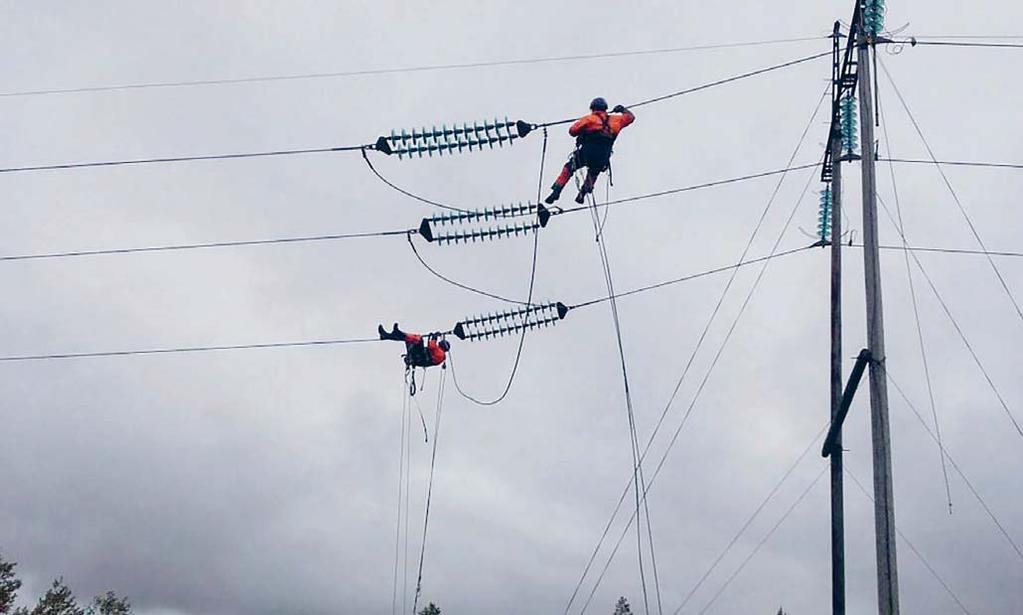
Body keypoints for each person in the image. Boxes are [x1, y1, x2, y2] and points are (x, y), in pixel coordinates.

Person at [545, 97, 636, 205]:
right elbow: (631, 117)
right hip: (603, 155)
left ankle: (557, 191)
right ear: (605, 109)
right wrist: (622, 109)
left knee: (569, 167)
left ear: (592, 108)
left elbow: (572, 131)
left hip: (588, 151)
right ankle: (582, 194)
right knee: (594, 172)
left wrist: (583, 130)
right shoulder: (617, 120)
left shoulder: (589, 119)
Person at [378, 323, 449, 368]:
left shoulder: (441, 353)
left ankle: (397, 333)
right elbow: (431, 347)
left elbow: (431, 346)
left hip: (419, 356)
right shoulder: (440, 354)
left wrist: (434, 337)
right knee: (410, 339)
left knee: (418, 339)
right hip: (416, 357)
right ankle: (386, 336)